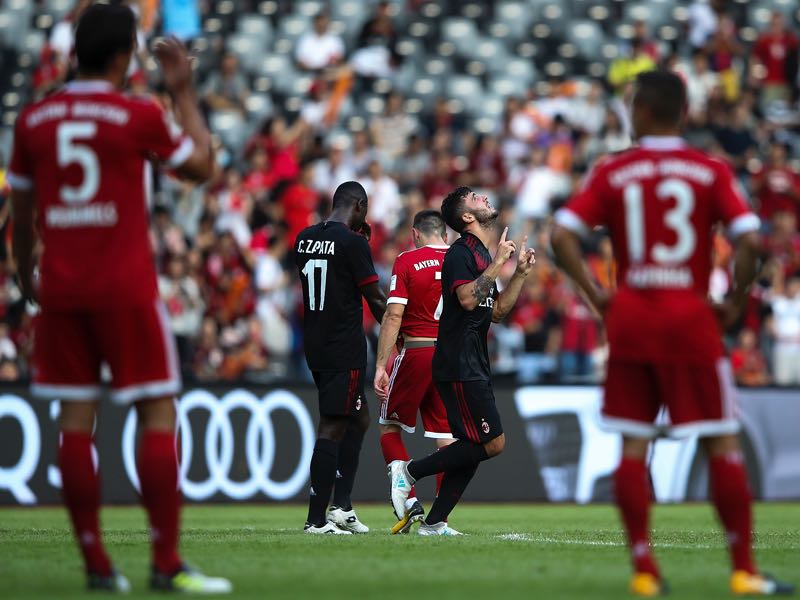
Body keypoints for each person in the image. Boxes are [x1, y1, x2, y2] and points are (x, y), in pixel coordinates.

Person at [8, 4, 230, 594]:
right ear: (123, 55)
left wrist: (28, 274)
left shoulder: (34, 119)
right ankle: (164, 563)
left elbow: (22, 216)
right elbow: (204, 167)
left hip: (62, 287)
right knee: (157, 413)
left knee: (75, 424)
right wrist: (182, 92)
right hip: (126, 287)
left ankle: (98, 566)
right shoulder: (137, 114)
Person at [550, 70, 793, 597]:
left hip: (632, 318)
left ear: (639, 112)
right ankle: (743, 570)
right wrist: (734, 300)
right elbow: (750, 239)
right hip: (691, 320)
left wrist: (598, 297)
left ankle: (644, 571)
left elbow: (561, 233)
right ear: (684, 113)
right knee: (721, 442)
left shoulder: (615, 171)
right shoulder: (708, 170)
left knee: (633, 449)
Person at [388, 187, 536, 535]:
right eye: (474, 198)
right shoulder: (458, 253)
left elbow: (496, 311)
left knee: (476, 445)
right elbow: (468, 299)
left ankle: (435, 521)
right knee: (491, 442)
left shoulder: (482, 255)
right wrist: (500, 263)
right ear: (467, 217)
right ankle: (409, 472)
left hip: (473, 362)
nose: (484, 197)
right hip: (457, 363)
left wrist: (519, 275)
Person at [295, 181, 386, 534]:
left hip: (315, 343)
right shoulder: (352, 243)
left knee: (359, 418)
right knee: (333, 425)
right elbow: (376, 299)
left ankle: (342, 507)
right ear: (359, 206)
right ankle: (316, 520)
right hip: (343, 347)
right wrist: (401, 337)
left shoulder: (303, 237)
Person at [373, 210, 455, 534]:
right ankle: (439, 521)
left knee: (389, 426)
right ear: (445, 235)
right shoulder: (461, 259)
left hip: (417, 351)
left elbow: (393, 314)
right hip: (450, 356)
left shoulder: (407, 260)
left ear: (416, 234)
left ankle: (407, 498)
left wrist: (381, 363)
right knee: (447, 440)